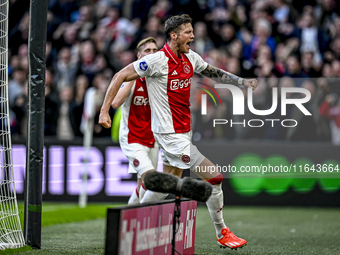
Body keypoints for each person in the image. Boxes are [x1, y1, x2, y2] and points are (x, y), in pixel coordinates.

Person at [99, 14, 258, 249]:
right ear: (174, 36)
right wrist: (104, 112)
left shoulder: (190, 57)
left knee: (167, 183)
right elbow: (119, 75)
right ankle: (222, 232)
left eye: (192, 31)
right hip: (169, 136)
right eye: (188, 32)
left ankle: (130, 224)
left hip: (183, 133)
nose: (193, 36)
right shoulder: (157, 61)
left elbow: (211, 71)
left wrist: (240, 81)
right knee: (214, 177)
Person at [111, 37, 168, 204]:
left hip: (152, 140)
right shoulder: (131, 79)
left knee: (142, 185)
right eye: (147, 51)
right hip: (133, 139)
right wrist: (134, 75)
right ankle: (140, 219)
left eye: (154, 51)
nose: (151, 54)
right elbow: (116, 103)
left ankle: (129, 222)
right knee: (150, 179)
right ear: (139, 56)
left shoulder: (160, 80)